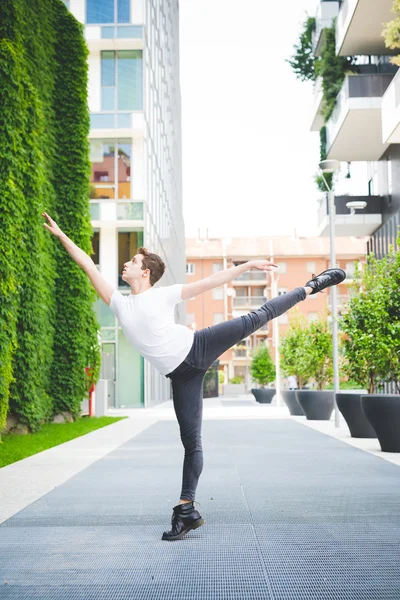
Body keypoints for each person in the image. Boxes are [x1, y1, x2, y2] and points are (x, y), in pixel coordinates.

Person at [42, 212, 346, 541]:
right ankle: (186, 511)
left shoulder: (163, 294)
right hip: (181, 377)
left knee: (258, 316)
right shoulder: (118, 303)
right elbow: (88, 263)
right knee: (191, 443)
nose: (126, 263)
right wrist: (61, 235)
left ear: (144, 272)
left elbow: (211, 283)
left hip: (198, 345)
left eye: (133, 260)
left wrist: (246, 267)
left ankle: (311, 286)